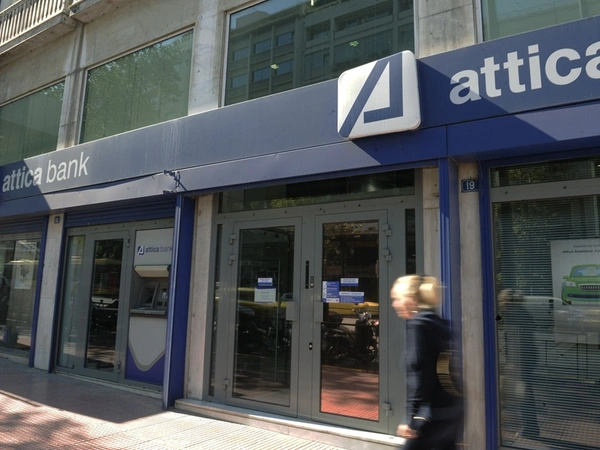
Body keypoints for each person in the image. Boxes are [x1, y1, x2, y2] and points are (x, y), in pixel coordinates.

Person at [391, 275, 463, 450]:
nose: (394, 304)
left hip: (431, 415)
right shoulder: (439, 323)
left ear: (410, 299)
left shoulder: (419, 325)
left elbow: (420, 375)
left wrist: (410, 418)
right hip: (452, 410)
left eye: (397, 299)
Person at [497, 289, 540, 439]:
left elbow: (518, 341)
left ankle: (530, 428)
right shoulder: (519, 314)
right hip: (525, 359)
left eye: (503, 302)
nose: (501, 305)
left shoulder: (517, 316)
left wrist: (513, 362)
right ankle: (530, 427)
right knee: (524, 394)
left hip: (522, 361)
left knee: (524, 395)